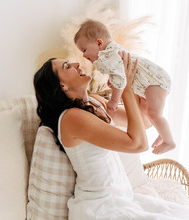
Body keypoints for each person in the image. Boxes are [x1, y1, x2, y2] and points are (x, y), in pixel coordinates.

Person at [33, 52, 189, 220]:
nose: (76, 65)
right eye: (67, 67)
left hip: (124, 199)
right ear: (62, 86)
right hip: (99, 208)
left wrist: (138, 92)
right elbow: (138, 144)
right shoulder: (71, 118)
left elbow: (144, 122)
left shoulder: (94, 101)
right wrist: (125, 88)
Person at [74, 19, 175, 155]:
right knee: (147, 110)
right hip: (154, 80)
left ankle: (169, 141)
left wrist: (114, 101)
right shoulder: (111, 52)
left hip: (155, 81)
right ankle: (163, 133)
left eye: (84, 50)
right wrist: (114, 82)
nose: (84, 56)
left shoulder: (107, 57)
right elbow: (120, 77)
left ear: (99, 43)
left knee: (153, 113)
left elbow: (121, 80)